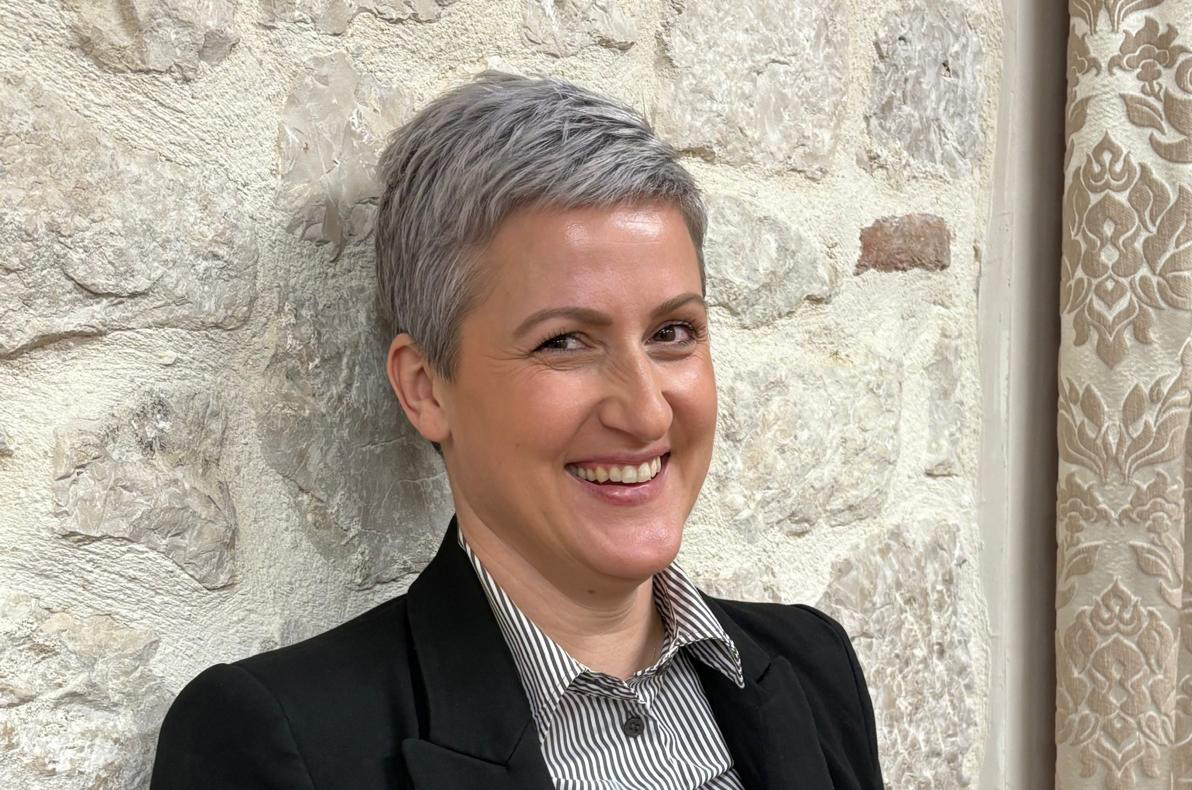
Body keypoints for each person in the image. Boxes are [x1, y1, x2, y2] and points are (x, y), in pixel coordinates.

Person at [149, 71, 885, 790]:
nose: (648, 413)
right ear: (425, 388)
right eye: (564, 342)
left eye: (673, 332)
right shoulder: (281, 744)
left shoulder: (813, 666)